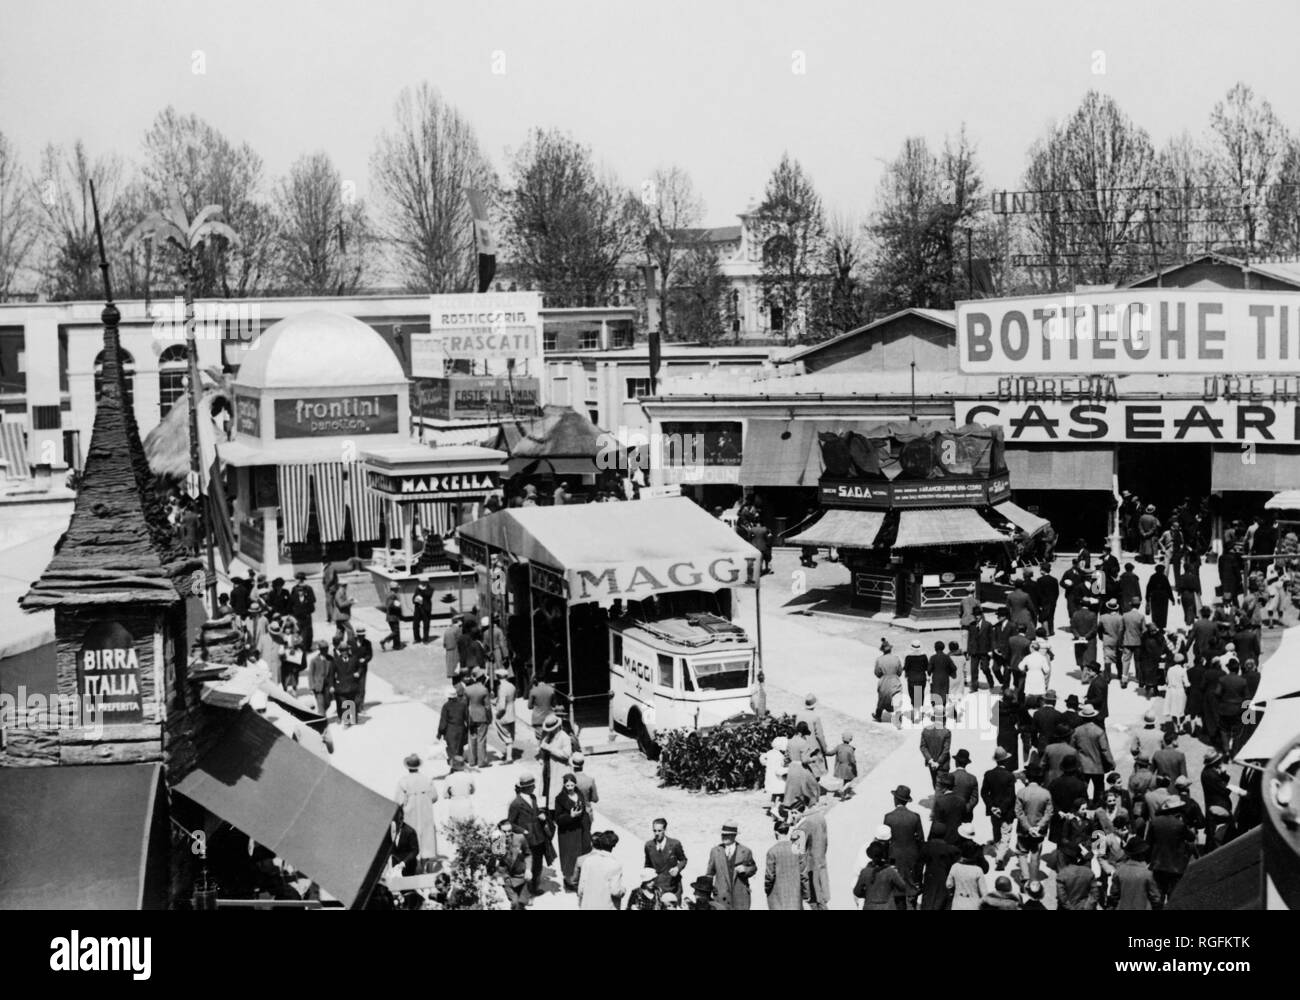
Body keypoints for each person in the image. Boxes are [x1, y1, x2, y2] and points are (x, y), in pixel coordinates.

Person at [508, 775, 554, 897]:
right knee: (528, 864)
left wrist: (541, 815)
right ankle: (524, 888)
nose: (534, 787)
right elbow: (510, 823)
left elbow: (536, 811)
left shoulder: (533, 797)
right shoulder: (516, 803)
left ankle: (534, 887)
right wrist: (523, 830)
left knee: (538, 863)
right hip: (527, 838)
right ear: (526, 788)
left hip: (538, 835)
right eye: (532, 786)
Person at [394, 754, 440, 872]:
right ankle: (426, 867)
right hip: (425, 814)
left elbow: (398, 802)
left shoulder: (403, 782)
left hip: (410, 816)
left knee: (413, 841)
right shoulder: (427, 780)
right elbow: (434, 797)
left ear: (408, 767)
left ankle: (414, 868)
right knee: (426, 841)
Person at [883, 784, 924, 898]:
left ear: (895, 799)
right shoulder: (915, 817)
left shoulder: (888, 817)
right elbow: (920, 839)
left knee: (896, 884)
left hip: (894, 855)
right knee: (911, 883)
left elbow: (886, 839)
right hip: (912, 854)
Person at [705, 821, 757, 910]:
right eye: (723, 835)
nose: (724, 837)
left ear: (734, 836)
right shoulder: (715, 851)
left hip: (740, 896)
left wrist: (745, 869)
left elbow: (753, 868)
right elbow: (709, 874)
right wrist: (706, 894)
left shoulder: (745, 851)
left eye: (727, 835)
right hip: (721, 896)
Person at [1070, 704, 1114, 806]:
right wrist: (1111, 762)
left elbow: (1072, 748)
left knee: (1082, 790)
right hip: (1097, 766)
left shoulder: (1077, 731)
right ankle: (1097, 808)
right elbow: (1105, 750)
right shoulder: (1099, 731)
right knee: (1099, 790)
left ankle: (1083, 808)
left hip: (1082, 766)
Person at [1015, 764, 1053, 881]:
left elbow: (1019, 812)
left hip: (1023, 829)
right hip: (1039, 831)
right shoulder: (1046, 793)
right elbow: (1049, 813)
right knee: (1035, 855)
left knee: (1022, 853)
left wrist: (1028, 827)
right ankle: (1034, 880)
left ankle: (1025, 876)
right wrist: (1038, 826)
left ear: (1028, 778)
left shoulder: (1021, 792)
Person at [854, 832, 909, 911]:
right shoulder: (890, 871)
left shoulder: (865, 872)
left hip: (869, 906)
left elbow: (857, 892)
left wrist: (867, 893)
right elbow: (903, 886)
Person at [792, 803, 831, 909]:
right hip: (820, 865)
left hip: (808, 871)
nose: (792, 816)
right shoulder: (820, 817)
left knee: (813, 902)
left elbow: (796, 852)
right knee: (821, 901)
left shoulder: (802, 826)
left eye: (794, 813)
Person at [552, 773, 587, 891]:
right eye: (568, 785)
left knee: (580, 854)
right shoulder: (560, 798)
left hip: (580, 829)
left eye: (572, 784)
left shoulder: (579, 794)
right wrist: (570, 816)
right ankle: (569, 880)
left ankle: (577, 879)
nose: (570, 787)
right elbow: (557, 819)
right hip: (567, 832)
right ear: (564, 785)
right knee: (569, 856)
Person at [1108, 838, 1162, 910]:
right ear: (1142, 854)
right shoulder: (1147, 874)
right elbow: (1156, 898)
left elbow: (1114, 895)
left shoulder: (1119, 872)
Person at [764, 821, 806, 910]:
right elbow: (804, 875)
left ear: (776, 833)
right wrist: (805, 894)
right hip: (795, 898)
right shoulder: (797, 849)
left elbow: (769, 876)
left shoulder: (772, 851)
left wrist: (767, 890)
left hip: (777, 898)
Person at [577, 830, 624, 910]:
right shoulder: (615, 865)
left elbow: (581, 890)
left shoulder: (588, 861)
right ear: (614, 845)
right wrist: (623, 890)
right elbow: (615, 891)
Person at [918, 821, 960, 911]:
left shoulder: (926, 847)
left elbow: (919, 866)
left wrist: (918, 881)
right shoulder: (951, 849)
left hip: (929, 879)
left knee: (928, 903)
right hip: (944, 879)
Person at [492, 818, 530, 909]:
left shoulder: (520, 838)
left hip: (521, 876)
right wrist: (499, 876)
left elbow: (528, 854)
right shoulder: (496, 843)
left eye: (509, 831)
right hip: (508, 879)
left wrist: (528, 869)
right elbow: (493, 863)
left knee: (522, 902)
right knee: (515, 902)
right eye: (504, 832)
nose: (507, 834)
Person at [538, 713, 574, 808]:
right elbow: (543, 748)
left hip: (559, 769)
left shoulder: (564, 737)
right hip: (548, 768)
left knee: (557, 794)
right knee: (548, 791)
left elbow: (566, 755)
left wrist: (549, 748)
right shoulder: (549, 736)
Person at [644, 818, 687, 897]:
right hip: (657, 887)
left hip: (673, 886)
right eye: (654, 831)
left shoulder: (674, 844)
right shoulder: (649, 845)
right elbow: (647, 866)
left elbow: (683, 860)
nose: (656, 833)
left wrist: (677, 868)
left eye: (659, 831)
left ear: (664, 830)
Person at [794, 694, 830, 777]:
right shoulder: (815, 717)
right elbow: (819, 735)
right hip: (813, 748)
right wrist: (824, 748)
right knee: (816, 771)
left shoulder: (799, 715)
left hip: (801, 746)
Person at [463, 668, 492, 768]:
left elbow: (465, 705)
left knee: (472, 738)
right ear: (482, 678)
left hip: (471, 716)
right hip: (482, 716)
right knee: (481, 739)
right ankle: (482, 761)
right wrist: (490, 718)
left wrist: (465, 718)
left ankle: (472, 760)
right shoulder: (484, 690)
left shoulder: (467, 689)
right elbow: (487, 706)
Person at [919, 709, 951, 790]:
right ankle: (940, 800)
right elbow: (946, 750)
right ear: (944, 719)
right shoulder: (946, 732)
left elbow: (923, 747)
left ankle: (937, 799)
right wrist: (938, 762)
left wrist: (930, 760)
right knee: (943, 785)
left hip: (931, 764)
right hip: (943, 764)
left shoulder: (925, 731)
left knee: (935, 783)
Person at [437, 685, 468, 764]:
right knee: (460, 748)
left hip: (450, 730)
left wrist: (439, 734)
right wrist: (468, 730)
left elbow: (443, 722)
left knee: (452, 750)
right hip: (461, 729)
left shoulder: (446, 706)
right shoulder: (463, 704)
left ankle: (454, 767)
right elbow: (467, 718)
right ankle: (460, 765)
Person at [387, 805, 420, 878]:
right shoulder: (389, 830)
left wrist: (403, 863)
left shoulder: (410, 831)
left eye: (401, 819)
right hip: (394, 865)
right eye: (396, 820)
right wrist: (390, 867)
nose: (399, 822)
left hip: (408, 866)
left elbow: (415, 851)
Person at [967, 609, 995, 691]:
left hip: (985, 650)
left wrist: (991, 650)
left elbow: (992, 638)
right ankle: (974, 687)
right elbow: (970, 639)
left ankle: (991, 682)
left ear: (981, 615)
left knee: (985, 668)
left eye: (978, 615)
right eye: (974, 615)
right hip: (974, 651)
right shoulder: (971, 625)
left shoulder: (987, 625)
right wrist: (969, 651)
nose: (976, 617)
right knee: (973, 670)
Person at [289, 571, 316, 650]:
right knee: (298, 630)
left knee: (308, 631)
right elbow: (292, 601)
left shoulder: (308, 588)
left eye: (297, 579)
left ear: (301, 579)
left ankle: (307, 646)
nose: (296, 580)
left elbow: (313, 600)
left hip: (306, 614)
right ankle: (300, 646)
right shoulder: (294, 589)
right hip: (297, 614)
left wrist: (306, 604)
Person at [903, 640, 930, 719]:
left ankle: (916, 714)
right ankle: (918, 713)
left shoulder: (908, 657)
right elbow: (926, 668)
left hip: (912, 679)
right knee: (920, 695)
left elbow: (906, 668)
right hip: (921, 678)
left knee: (913, 696)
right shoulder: (924, 656)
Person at [307, 640, 333, 717]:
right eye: (323, 649)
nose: (325, 650)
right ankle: (322, 718)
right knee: (320, 703)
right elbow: (310, 674)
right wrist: (312, 687)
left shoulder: (331, 659)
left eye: (326, 648)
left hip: (328, 686)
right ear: (320, 650)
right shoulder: (314, 660)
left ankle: (321, 713)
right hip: (318, 686)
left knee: (328, 703)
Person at [1146, 563, 1174, 630]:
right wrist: (1172, 598)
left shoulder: (1153, 577)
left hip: (1155, 596)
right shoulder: (1164, 577)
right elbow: (1168, 588)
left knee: (1155, 611)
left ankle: (1155, 625)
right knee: (1163, 612)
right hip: (1163, 596)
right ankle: (1161, 627)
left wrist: (1147, 597)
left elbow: (1149, 587)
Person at [528, 677, 556, 744]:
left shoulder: (533, 691)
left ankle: (542, 752)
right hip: (549, 717)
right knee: (549, 738)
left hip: (537, 719)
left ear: (536, 680)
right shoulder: (551, 690)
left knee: (540, 739)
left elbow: (529, 706)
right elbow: (554, 704)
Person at [832, 732, 858, 799]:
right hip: (848, 768)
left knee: (845, 780)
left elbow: (831, 753)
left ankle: (844, 795)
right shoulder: (850, 749)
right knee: (850, 780)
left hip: (841, 767)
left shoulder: (839, 747)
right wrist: (854, 768)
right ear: (850, 739)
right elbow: (853, 760)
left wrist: (824, 752)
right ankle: (842, 790)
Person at [412, 575, 433, 644]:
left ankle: (425, 639)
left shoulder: (430, 588)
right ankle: (417, 638)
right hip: (418, 608)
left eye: (422, 582)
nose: (420, 583)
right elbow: (414, 597)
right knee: (415, 624)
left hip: (425, 609)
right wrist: (414, 600)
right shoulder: (417, 588)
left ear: (426, 582)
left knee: (426, 625)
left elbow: (427, 595)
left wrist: (421, 590)